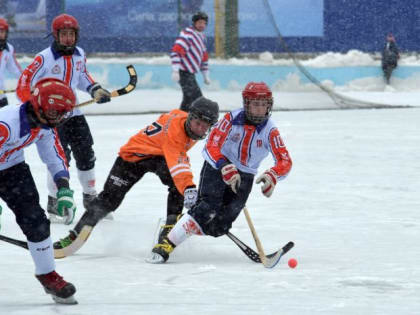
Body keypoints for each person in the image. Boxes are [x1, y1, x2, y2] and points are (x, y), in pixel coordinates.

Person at [146, 82, 293, 264]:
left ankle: (179, 225)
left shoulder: (270, 130)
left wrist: (273, 175)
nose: (259, 110)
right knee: (207, 209)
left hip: (246, 174)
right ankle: (166, 243)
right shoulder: (231, 119)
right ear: (246, 103)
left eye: (264, 105)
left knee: (218, 227)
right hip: (217, 165)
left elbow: (285, 160)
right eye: (255, 104)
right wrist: (224, 166)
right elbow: (211, 145)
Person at [53, 97, 219, 256]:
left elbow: (173, 126)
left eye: (206, 127)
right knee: (108, 201)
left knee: (178, 186)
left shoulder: (183, 118)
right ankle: (75, 235)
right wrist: (189, 188)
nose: (200, 130)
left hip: (159, 156)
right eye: (198, 124)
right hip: (132, 158)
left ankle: (169, 229)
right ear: (191, 117)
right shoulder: (176, 132)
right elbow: (178, 164)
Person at [16, 13, 112, 224]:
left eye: (72, 34)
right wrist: (33, 106)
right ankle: (54, 200)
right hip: (51, 117)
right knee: (60, 158)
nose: (68, 39)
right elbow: (23, 83)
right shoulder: (43, 58)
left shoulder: (80, 54)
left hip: (74, 114)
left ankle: (90, 197)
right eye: (64, 34)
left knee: (86, 153)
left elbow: (83, 77)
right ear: (55, 35)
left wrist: (95, 89)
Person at [0, 78, 78, 304]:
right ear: (39, 106)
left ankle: (47, 273)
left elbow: (55, 157)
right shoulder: (6, 124)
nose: (59, 118)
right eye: (55, 113)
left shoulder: (44, 125)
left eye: (62, 113)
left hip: (13, 169)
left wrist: (63, 188)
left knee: (37, 222)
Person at [171, 11, 211, 112]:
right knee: (197, 98)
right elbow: (176, 51)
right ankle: (201, 121)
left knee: (188, 99)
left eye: (204, 23)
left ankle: (180, 119)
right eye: (199, 22)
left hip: (191, 73)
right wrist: (175, 70)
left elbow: (204, 57)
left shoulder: (201, 37)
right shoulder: (187, 34)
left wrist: (205, 75)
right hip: (183, 72)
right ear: (194, 23)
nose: (202, 25)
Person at [0, 17, 22, 108]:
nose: (1, 34)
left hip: (1, 95)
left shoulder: (9, 49)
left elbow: (15, 69)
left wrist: (28, 80)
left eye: (3, 32)